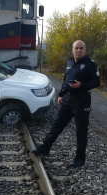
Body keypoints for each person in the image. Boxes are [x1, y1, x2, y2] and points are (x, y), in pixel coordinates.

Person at [31, 40, 101, 168]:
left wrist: (82, 85)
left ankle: (80, 159)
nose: (79, 50)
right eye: (76, 48)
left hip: (82, 100)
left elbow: (97, 82)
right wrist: (61, 94)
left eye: (81, 48)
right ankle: (45, 148)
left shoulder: (89, 64)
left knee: (81, 130)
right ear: (72, 50)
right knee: (57, 124)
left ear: (84, 50)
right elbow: (66, 80)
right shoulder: (69, 62)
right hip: (68, 99)